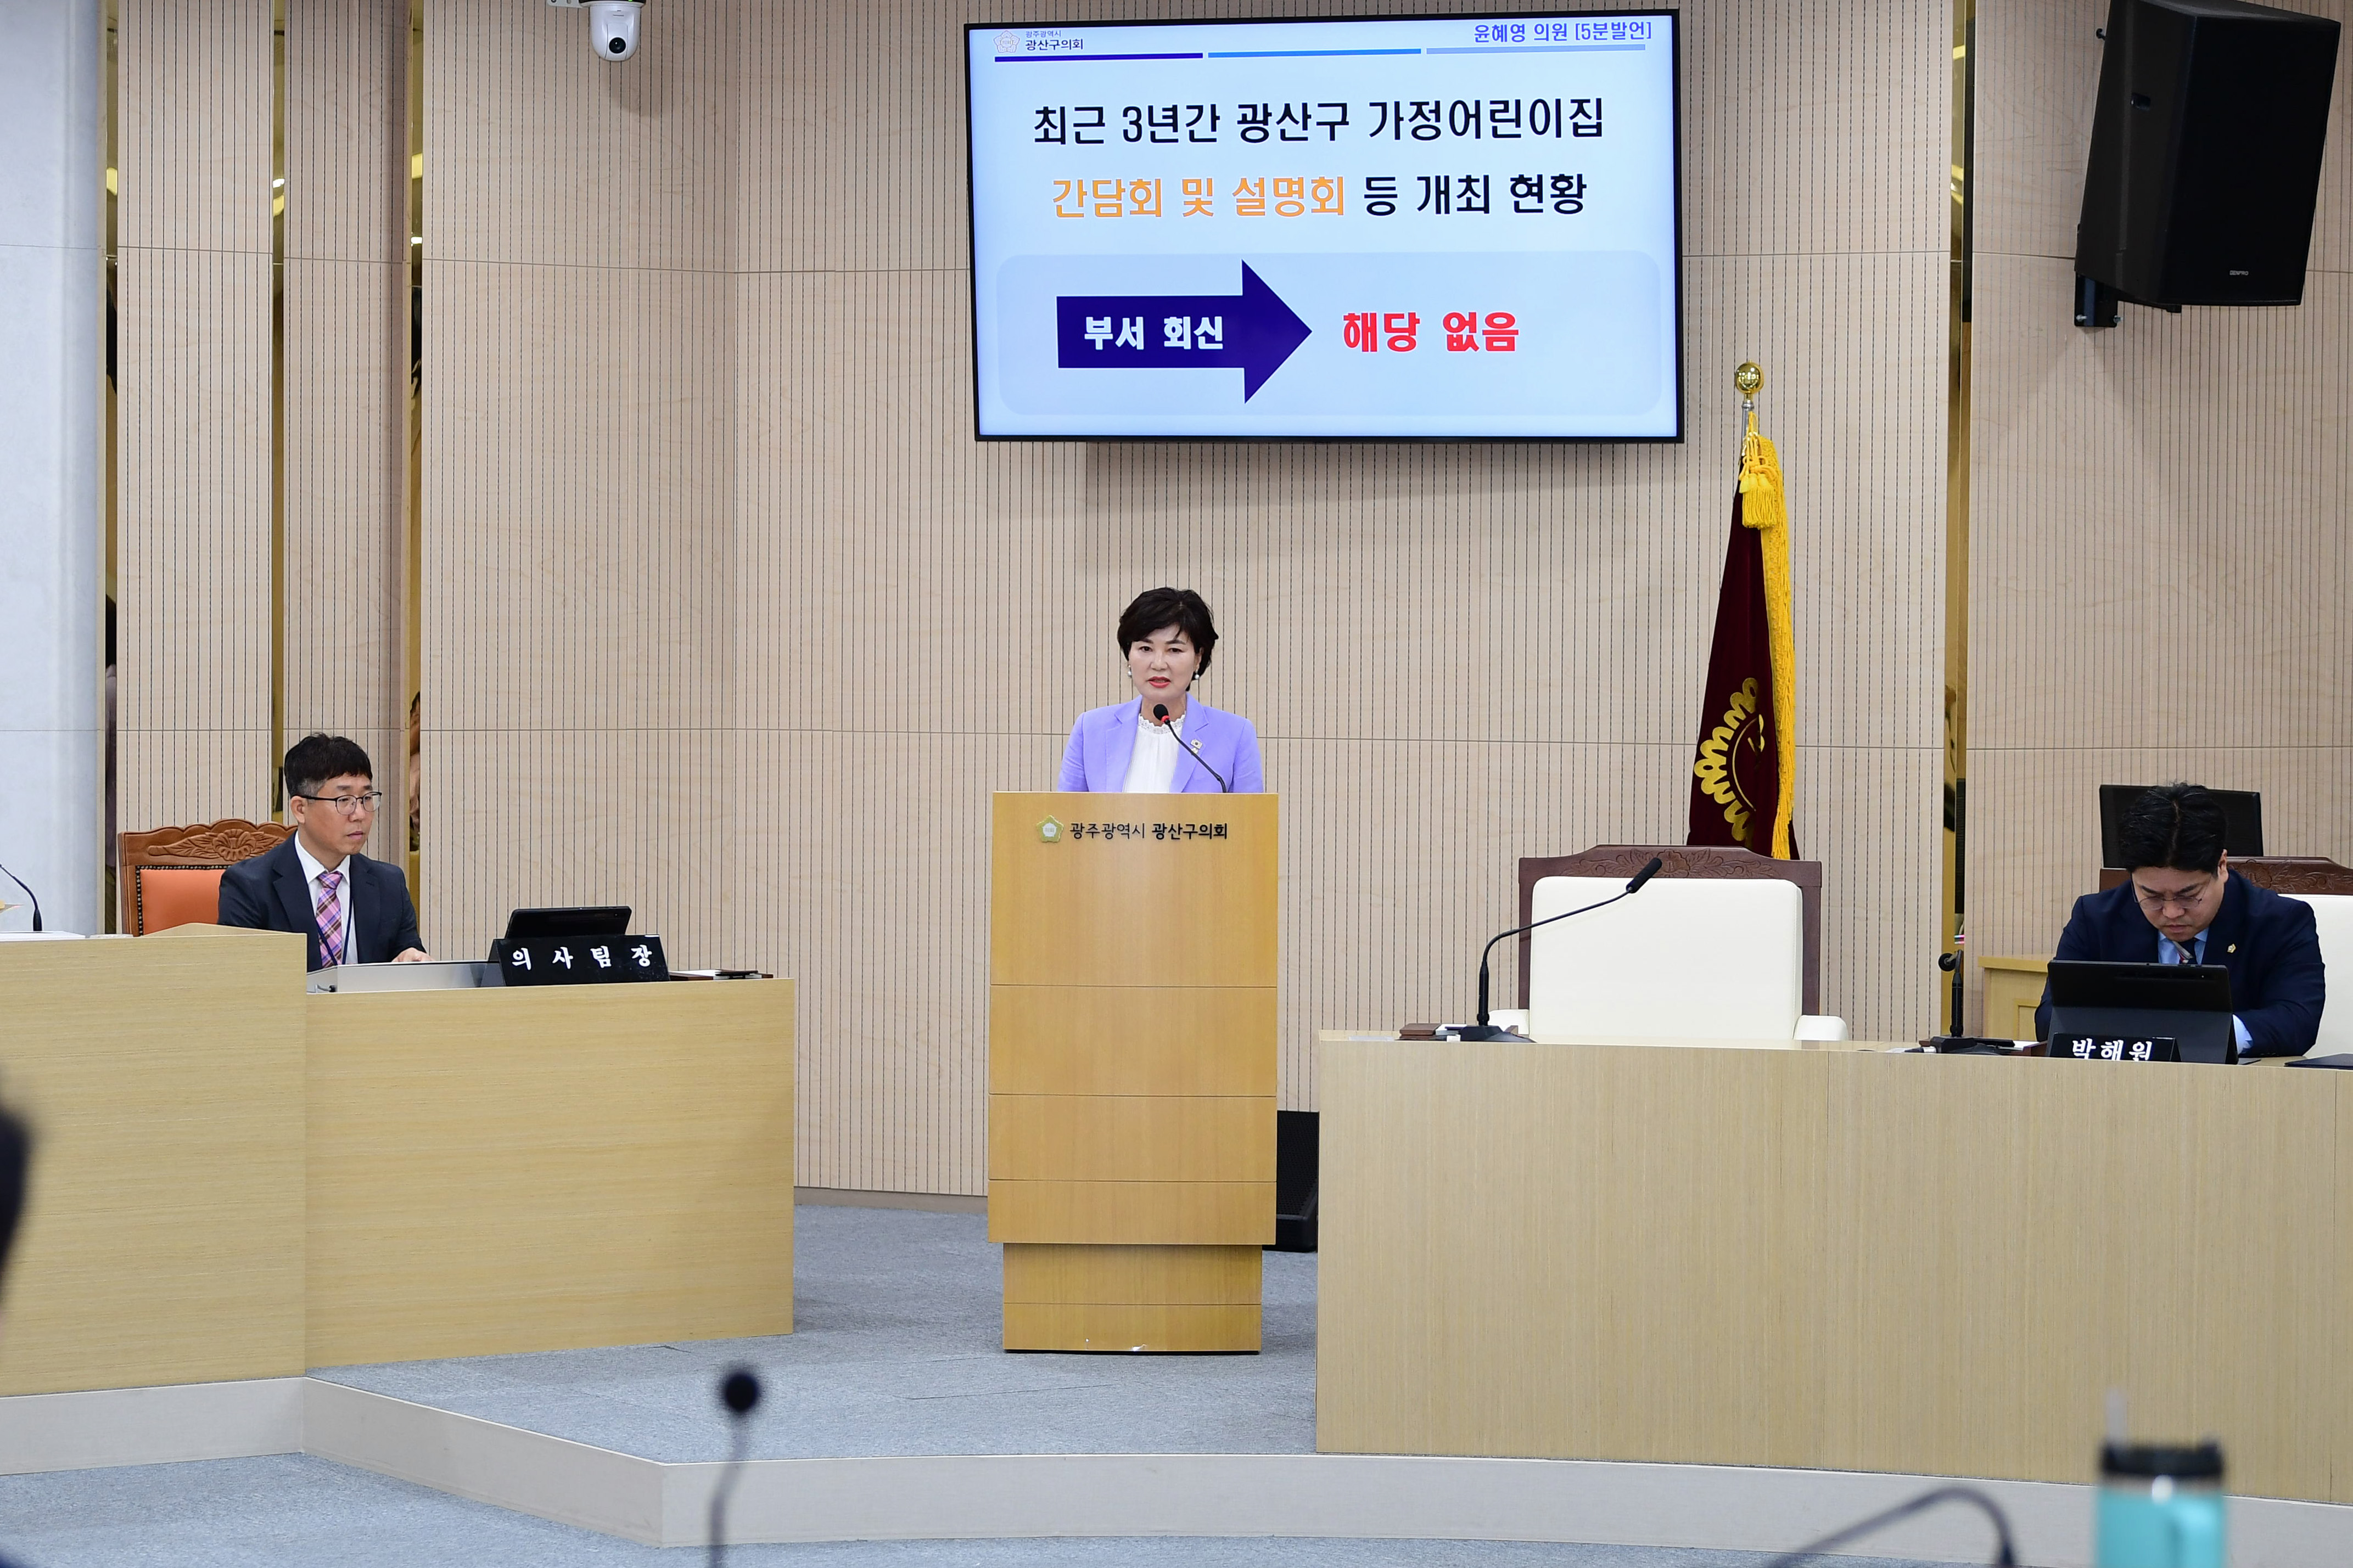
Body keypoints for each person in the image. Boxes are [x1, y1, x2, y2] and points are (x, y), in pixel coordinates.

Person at [2035, 782, 2322, 1057]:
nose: (2171, 912)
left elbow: (2297, 1021)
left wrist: (2202, 1034)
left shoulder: (2280, 921)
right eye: (2152, 896)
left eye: (2189, 895)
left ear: (2222, 866)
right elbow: (2051, 1017)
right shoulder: (2096, 917)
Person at [219, 733, 429, 971]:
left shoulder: (389, 884)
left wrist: (413, 960)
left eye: (367, 798)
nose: (360, 814)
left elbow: (407, 955)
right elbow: (240, 978)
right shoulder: (250, 886)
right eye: (344, 800)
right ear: (300, 809)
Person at [1057, 587, 1265, 794]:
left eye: (1174, 650)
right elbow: (1067, 812)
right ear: (1129, 655)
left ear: (1198, 658)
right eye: (1146, 649)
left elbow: (1251, 815)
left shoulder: (1235, 734)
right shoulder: (1091, 729)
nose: (1158, 664)